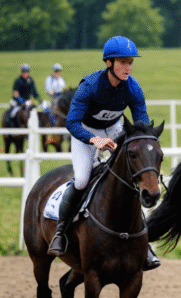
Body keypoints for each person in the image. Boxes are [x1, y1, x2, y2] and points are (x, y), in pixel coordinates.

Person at [47, 36, 161, 271]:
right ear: (109, 63)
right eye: (123, 62)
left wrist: (144, 142)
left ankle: (144, 243)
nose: (128, 68)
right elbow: (71, 122)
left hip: (115, 129)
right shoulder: (90, 86)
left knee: (131, 179)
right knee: (81, 180)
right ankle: (60, 232)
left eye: (130, 62)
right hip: (85, 131)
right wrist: (94, 139)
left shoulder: (133, 87)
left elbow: (140, 123)